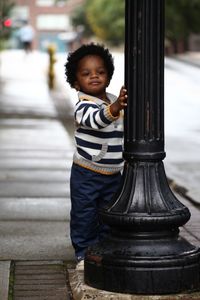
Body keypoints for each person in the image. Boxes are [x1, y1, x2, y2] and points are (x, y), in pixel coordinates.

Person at [64, 43, 127, 270]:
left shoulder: (113, 101)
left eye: (100, 72)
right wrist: (116, 107)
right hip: (87, 172)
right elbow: (97, 120)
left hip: (113, 173)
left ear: (108, 77)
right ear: (75, 82)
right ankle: (83, 253)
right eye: (86, 73)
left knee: (107, 214)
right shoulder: (83, 106)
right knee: (85, 214)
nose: (94, 76)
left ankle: (103, 249)